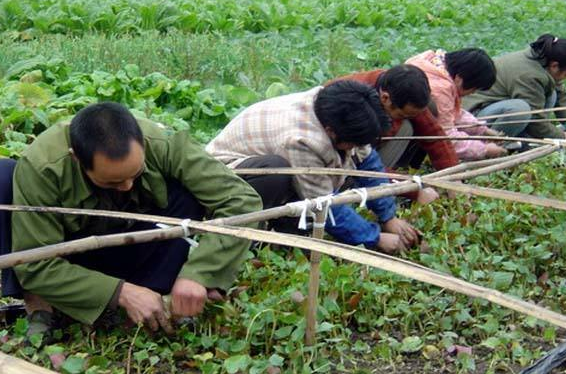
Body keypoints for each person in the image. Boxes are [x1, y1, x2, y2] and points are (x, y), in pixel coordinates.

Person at [0, 102, 262, 335]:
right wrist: (122, 293)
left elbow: (241, 201)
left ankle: (158, 295)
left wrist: (200, 274)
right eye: (114, 181)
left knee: (188, 192)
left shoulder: (163, 143)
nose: (128, 186)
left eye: (135, 174)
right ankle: (43, 306)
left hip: (142, 240)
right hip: (76, 256)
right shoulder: (43, 166)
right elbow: (35, 264)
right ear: (77, 160)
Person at [206, 80, 421, 254]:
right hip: (225, 179)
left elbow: (368, 163)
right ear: (330, 131)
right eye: (352, 144)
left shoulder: (343, 110)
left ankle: (288, 229)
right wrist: (374, 237)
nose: (355, 148)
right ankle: (252, 240)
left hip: (269, 160)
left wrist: (388, 216)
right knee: (277, 171)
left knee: (305, 174)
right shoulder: (301, 140)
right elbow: (322, 203)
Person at [331, 64, 459, 203]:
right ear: (385, 98)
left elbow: (433, 134)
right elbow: (361, 165)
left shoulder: (400, 90)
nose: (404, 117)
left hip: (366, 149)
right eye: (402, 114)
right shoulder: (355, 106)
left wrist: (453, 177)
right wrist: (413, 190)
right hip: (338, 160)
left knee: (422, 116)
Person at [406, 48, 507, 160]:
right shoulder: (440, 90)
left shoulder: (432, 62)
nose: (472, 92)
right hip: (403, 135)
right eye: (474, 88)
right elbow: (447, 138)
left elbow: (451, 112)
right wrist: (484, 149)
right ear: (459, 79)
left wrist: (483, 130)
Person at [463, 34, 566, 139]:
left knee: (552, 94)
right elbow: (534, 119)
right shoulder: (530, 75)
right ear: (554, 66)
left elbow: (560, 96)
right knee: (521, 109)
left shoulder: (542, 59)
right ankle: (493, 143)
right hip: (473, 117)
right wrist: (561, 137)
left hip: (497, 104)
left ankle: (524, 137)